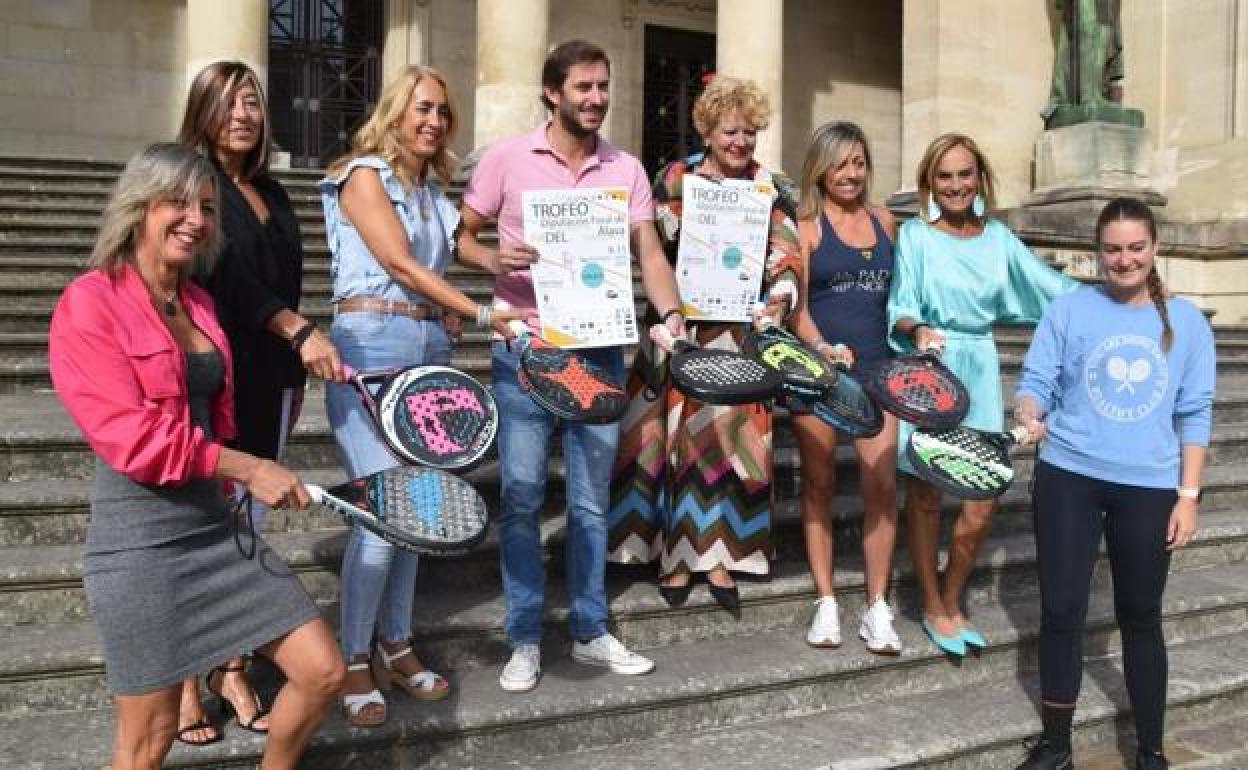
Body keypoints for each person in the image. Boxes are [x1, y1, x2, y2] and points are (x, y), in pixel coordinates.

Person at [47, 143, 343, 770]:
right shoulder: (89, 302)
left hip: (215, 531)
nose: (196, 218)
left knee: (322, 672)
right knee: (145, 744)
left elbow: (219, 410)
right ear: (137, 207)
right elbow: (130, 435)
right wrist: (248, 467)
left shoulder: (200, 303)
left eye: (207, 207)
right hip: (142, 546)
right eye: (176, 202)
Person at [457, 39, 686, 693]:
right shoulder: (506, 158)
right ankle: (525, 638)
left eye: (603, 86)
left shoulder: (627, 169)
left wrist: (669, 317)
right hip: (525, 350)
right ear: (552, 92)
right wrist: (490, 261)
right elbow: (461, 234)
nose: (596, 98)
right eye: (583, 87)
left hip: (599, 352)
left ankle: (589, 630)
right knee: (524, 496)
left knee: (590, 505)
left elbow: (649, 254)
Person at [321, 65, 519, 727]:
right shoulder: (362, 175)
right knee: (382, 524)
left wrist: (450, 310)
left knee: (417, 519)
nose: (433, 121)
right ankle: (353, 658)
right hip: (366, 357)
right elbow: (401, 266)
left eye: (442, 111)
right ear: (395, 112)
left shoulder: (432, 191)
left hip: (428, 359)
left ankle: (396, 644)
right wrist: (483, 313)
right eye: (422, 109)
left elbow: (430, 271)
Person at [1012, 198, 1215, 770]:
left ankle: (1150, 751)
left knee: (1141, 616)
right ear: (1096, 252)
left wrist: (1189, 497)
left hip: (1149, 489)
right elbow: (1037, 382)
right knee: (1062, 613)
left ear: (1154, 248)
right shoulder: (1070, 308)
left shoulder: (1189, 323)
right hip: (1069, 476)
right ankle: (1056, 747)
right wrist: (1029, 410)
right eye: (1112, 249)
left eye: (1135, 248)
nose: (1124, 260)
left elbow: (1195, 413)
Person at [176, 59, 345, 742]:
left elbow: (285, 278)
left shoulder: (271, 190)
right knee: (207, 526)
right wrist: (300, 331)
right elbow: (232, 282)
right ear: (203, 111)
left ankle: (232, 663)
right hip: (218, 378)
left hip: (273, 380)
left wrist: (293, 357)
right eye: (228, 102)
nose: (243, 114)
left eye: (251, 102)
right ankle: (187, 678)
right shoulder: (193, 188)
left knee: (247, 525)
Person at [605, 75, 801, 614]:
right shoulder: (675, 178)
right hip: (678, 331)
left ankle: (716, 553)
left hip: (739, 335)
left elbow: (786, 254)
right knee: (670, 442)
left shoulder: (771, 187)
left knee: (724, 448)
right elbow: (648, 241)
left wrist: (780, 298)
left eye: (749, 132)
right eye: (730, 131)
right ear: (708, 131)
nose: (741, 142)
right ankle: (672, 553)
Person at [886, 133, 1078, 657]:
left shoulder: (998, 238)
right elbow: (900, 304)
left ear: (979, 178)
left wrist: (1125, 294)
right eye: (943, 176)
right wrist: (918, 328)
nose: (954, 185)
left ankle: (953, 595)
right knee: (926, 493)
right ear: (930, 183)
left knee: (983, 496)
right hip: (931, 369)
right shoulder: (916, 238)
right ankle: (931, 602)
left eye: (963, 174)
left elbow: (1052, 288)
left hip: (980, 362)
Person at [787, 121, 902, 653]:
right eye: (841, 164)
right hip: (820, 375)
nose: (851, 173)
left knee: (881, 485)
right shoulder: (805, 227)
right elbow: (799, 308)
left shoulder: (885, 222)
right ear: (821, 168)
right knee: (819, 485)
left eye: (859, 162)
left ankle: (877, 606)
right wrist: (821, 349)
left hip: (879, 373)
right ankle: (826, 600)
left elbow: (900, 298)